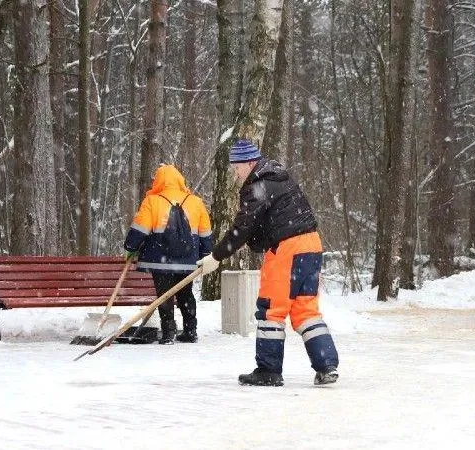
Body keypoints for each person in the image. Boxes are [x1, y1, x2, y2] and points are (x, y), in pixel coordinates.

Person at [197, 139, 339, 386]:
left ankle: (268, 370)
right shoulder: (279, 178)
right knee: (305, 310)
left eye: (237, 168)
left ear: (250, 163)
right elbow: (262, 226)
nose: (235, 174)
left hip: (287, 248)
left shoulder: (258, 185)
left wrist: (215, 257)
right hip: (311, 245)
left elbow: (243, 228)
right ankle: (326, 365)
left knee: (271, 309)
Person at [124, 164, 212, 344]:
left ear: (158, 181)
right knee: (186, 294)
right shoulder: (195, 202)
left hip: (160, 260)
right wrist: (205, 254)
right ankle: (190, 330)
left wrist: (130, 247)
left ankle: (168, 332)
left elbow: (140, 229)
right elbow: (205, 233)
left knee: (164, 295)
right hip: (188, 260)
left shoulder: (152, 201)